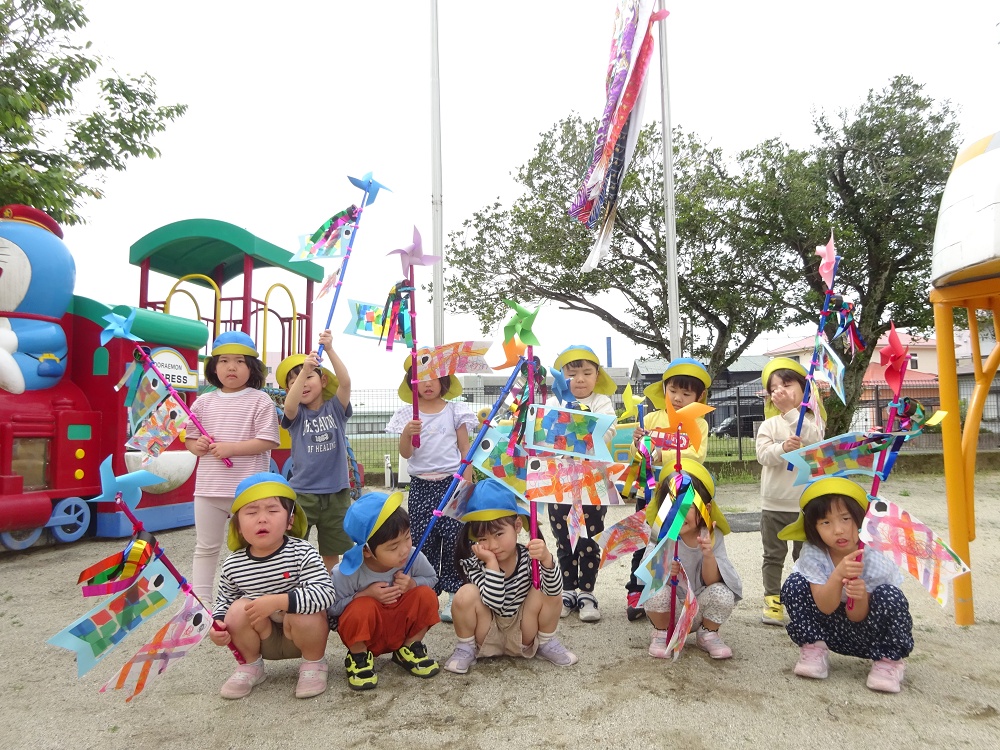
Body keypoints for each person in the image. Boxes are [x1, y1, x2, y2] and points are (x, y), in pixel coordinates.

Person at [779, 477, 913, 693]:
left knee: (891, 596)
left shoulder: (874, 557)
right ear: (813, 528)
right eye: (826, 522)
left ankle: (888, 662)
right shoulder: (814, 553)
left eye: (846, 519)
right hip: (828, 628)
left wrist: (860, 595)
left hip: (866, 634)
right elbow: (825, 607)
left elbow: (856, 616)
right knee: (795, 584)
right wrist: (838, 575)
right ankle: (814, 649)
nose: (838, 530)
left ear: (861, 519)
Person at [208, 473, 335, 700]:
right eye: (251, 512)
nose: (262, 519)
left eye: (272, 510)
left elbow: (325, 593)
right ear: (238, 526)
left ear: (290, 520)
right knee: (235, 611)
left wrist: (279, 601)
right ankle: (251, 666)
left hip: (299, 635)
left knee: (308, 613)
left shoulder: (302, 552)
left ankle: (314, 664)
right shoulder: (233, 564)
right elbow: (224, 600)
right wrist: (217, 623)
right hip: (261, 637)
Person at [442, 479, 578, 674]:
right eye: (483, 538)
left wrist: (547, 560)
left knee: (546, 590)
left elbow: (555, 592)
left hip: (524, 632)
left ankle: (546, 642)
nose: (492, 545)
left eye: (498, 534)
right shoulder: (475, 563)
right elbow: (495, 602)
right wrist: (491, 564)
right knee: (465, 594)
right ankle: (466, 648)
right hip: (487, 633)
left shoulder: (529, 557)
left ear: (517, 526)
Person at [187, 331, 280, 603]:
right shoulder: (203, 401)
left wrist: (231, 448)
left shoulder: (260, 400)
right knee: (206, 548)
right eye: (224, 361)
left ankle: (256, 601)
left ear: (251, 368)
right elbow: (191, 440)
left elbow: (268, 440)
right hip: (208, 489)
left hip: (249, 492)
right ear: (214, 367)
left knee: (256, 548)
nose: (231, 367)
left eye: (240, 361)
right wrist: (198, 445)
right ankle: (201, 604)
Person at [385, 360, 477, 624]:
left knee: (455, 538)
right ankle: (427, 593)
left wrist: (466, 485)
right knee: (423, 539)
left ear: (444, 381)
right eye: (420, 378)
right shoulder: (408, 415)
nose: (427, 383)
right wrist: (407, 434)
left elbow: (465, 449)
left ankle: (454, 592)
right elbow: (406, 454)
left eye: (433, 377)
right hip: (421, 485)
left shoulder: (455, 411)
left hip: (452, 482)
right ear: (411, 383)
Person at [626, 358, 713, 621]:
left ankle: (675, 591)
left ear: (699, 397)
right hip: (650, 492)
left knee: (676, 543)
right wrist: (637, 444)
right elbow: (636, 456)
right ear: (664, 389)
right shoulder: (650, 418)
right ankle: (638, 590)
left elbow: (696, 454)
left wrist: (661, 454)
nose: (677, 398)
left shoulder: (699, 423)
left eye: (686, 394)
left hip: (682, 494)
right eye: (673, 390)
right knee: (645, 542)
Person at [328, 491, 442, 691]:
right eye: (393, 547)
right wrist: (364, 595)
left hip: (400, 623)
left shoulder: (412, 557)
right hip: (368, 635)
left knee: (426, 595)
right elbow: (332, 608)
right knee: (361, 607)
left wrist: (412, 584)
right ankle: (358, 657)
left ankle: (409, 648)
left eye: (407, 537)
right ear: (366, 551)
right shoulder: (348, 572)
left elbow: (432, 579)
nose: (404, 549)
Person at [546, 345, 618, 623]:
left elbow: (607, 431)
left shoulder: (602, 402)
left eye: (587, 373)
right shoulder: (553, 403)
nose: (579, 379)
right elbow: (546, 434)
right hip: (559, 482)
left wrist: (576, 423)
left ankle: (587, 593)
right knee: (563, 538)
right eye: (572, 373)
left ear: (597, 375)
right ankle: (567, 590)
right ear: (560, 376)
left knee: (589, 538)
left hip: (593, 481)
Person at [643, 460, 742, 660]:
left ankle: (708, 633)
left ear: (706, 508)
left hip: (698, 608)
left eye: (686, 505)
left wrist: (708, 555)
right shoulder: (661, 533)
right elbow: (646, 575)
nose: (678, 514)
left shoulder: (711, 535)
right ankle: (662, 633)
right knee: (655, 591)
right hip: (669, 611)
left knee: (722, 593)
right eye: (671, 505)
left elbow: (713, 581)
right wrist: (663, 570)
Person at [756, 357, 825, 626]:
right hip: (774, 503)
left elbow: (816, 442)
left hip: (805, 503)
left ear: (804, 389)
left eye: (786, 385)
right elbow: (763, 456)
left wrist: (791, 412)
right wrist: (782, 448)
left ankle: (804, 601)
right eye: (774, 388)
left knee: (805, 556)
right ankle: (772, 600)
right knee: (773, 555)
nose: (780, 392)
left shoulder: (812, 422)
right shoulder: (769, 425)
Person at [277, 329, 353, 572]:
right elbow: (289, 405)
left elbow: (345, 383)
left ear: (323, 381)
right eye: (294, 381)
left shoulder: (335, 409)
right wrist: (305, 370)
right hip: (303, 492)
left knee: (332, 551)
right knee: (293, 547)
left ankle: (329, 589)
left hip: (337, 492)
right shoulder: (296, 415)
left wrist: (329, 349)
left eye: (310, 376)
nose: (303, 383)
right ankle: (296, 586)